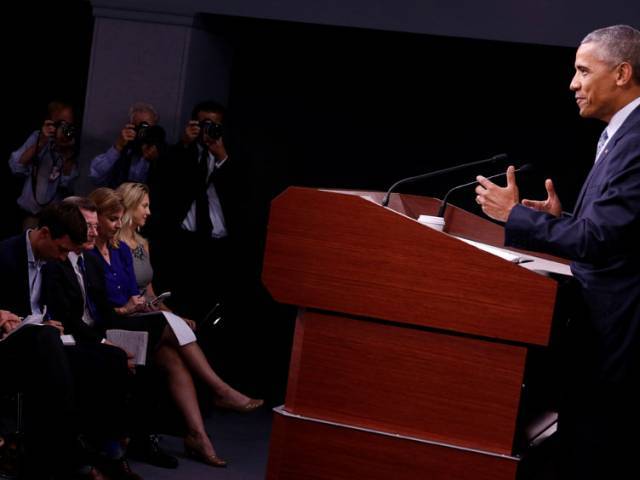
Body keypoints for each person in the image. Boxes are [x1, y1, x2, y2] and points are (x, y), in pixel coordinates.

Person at [474, 24, 640, 480]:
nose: (573, 84)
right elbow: (617, 233)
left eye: (583, 71)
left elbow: (600, 242)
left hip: (617, 334)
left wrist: (517, 217)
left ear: (622, 73)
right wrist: (560, 221)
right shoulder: (622, 134)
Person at [88, 187, 263, 469]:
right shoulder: (89, 255)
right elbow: (101, 308)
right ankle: (220, 390)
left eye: (119, 219)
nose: (118, 225)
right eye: (113, 219)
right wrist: (129, 309)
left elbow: (138, 292)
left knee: (174, 360)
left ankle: (198, 435)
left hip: (137, 320)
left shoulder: (121, 250)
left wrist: (146, 307)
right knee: (166, 325)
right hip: (112, 326)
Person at [41, 196, 179, 470]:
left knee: (152, 354)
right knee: (115, 360)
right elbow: (68, 318)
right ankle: (108, 450)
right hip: (71, 338)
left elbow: (102, 310)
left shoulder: (88, 262)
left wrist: (117, 329)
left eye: (93, 225)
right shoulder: (56, 259)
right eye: (86, 225)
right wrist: (107, 342)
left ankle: (139, 439)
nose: (91, 232)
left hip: (96, 330)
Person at [0, 203, 110, 479]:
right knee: (49, 343)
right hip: (7, 346)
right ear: (45, 233)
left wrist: (44, 322)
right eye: (62, 250)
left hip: (38, 338)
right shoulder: (4, 253)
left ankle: (98, 448)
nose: (63, 258)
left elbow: (41, 310)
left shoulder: (49, 261)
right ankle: (65, 454)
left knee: (108, 358)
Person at [150, 100, 238, 321]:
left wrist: (222, 158)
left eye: (213, 125)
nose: (207, 131)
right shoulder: (181, 153)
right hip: (182, 241)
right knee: (178, 301)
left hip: (216, 243)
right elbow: (164, 181)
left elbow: (240, 193)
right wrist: (184, 145)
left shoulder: (230, 157)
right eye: (203, 124)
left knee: (209, 305)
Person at [8, 101, 79, 229]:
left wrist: (67, 154)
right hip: (31, 216)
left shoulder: (75, 147)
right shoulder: (39, 138)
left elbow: (68, 186)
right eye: (60, 124)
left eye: (68, 126)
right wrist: (41, 142)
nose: (64, 130)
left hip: (56, 220)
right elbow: (16, 166)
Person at [90, 102, 163, 188]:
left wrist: (156, 160)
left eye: (148, 128)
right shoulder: (123, 150)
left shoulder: (161, 152)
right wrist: (118, 147)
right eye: (141, 127)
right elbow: (96, 177)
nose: (143, 132)